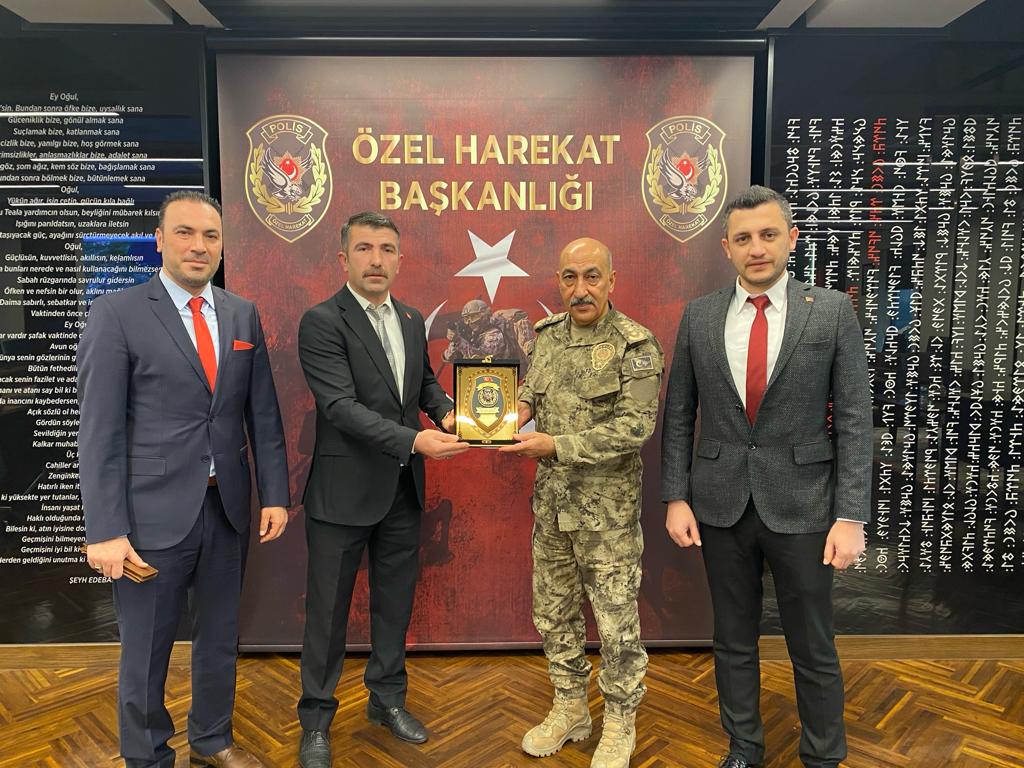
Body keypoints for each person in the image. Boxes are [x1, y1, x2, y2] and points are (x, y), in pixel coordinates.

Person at [661, 185, 872, 768]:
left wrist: (851, 515)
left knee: (812, 642)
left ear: (791, 239)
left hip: (805, 506)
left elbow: (855, 419)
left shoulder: (831, 311)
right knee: (732, 639)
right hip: (719, 505)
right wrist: (676, 496)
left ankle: (823, 756)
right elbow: (678, 413)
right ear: (726, 247)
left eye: (769, 235)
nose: (757, 248)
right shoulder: (699, 315)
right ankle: (744, 749)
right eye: (744, 238)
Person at [78, 191, 290, 768]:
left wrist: (274, 494)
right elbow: (99, 432)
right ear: (159, 241)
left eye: (211, 236)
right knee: (145, 651)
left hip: (228, 509)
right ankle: (147, 756)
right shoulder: (117, 313)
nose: (199, 246)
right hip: (148, 518)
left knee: (220, 638)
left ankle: (212, 741)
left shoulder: (241, 313)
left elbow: (263, 413)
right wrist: (105, 530)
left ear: (221, 245)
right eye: (185, 233)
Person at [295, 212, 469, 768]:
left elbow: (424, 385)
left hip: (400, 491)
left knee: (394, 606)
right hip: (341, 494)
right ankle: (316, 722)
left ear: (399, 259)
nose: (376, 259)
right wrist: (416, 441)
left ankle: (386, 701)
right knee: (327, 616)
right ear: (343, 258)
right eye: (365, 248)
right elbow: (339, 407)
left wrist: (452, 415)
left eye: (387, 249)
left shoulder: (412, 319)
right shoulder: (322, 321)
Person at [500, 237, 663, 768]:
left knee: (615, 623)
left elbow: (635, 427)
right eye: (570, 277)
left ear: (611, 281)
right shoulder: (547, 336)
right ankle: (571, 706)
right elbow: (530, 394)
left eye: (592, 276)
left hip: (606, 517)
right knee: (553, 612)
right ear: (559, 282)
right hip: (551, 509)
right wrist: (495, 419)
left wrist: (557, 446)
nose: (581, 289)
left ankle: (619, 720)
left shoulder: (635, 345)